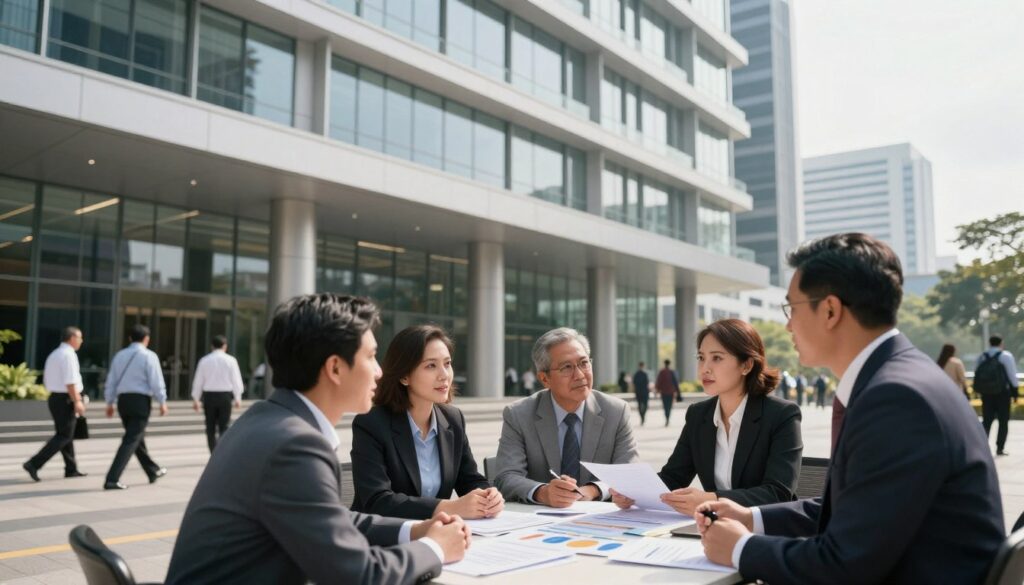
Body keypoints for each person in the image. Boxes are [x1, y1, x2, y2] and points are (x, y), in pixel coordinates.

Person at [696, 232, 1004, 584]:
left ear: (829, 310)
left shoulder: (896, 399)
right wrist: (752, 517)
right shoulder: (902, 379)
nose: (787, 325)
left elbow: (845, 566)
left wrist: (740, 549)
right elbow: (856, 510)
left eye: (791, 309)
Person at [166, 294, 469, 585]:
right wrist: (435, 548)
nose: (379, 372)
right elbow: (359, 576)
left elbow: (335, 521)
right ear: (335, 368)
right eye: (371, 356)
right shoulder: (294, 446)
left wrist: (416, 530)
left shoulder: (265, 420)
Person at [613, 320, 802, 516]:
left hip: (767, 531)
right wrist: (634, 493)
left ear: (746, 365)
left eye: (717, 358)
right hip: (714, 530)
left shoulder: (782, 415)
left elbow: (778, 493)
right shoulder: (698, 415)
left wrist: (712, 500)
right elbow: (673, 477)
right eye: (701, 358)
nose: (705, 368)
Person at [351, 324, 504, 520]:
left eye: (447, 364)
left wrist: (488, 496)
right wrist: (449, 507)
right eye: (431, 365)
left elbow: (469, 479)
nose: (444, 375)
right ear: (404, 376)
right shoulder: (371, 424)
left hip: (438, 534)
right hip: (384, 539)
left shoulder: (453, 419)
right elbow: (378, 501)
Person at [494, 327, 639, 507]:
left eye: (584, 363)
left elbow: (627, 473)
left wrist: (593, 490)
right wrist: (543, 492)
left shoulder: (616, 411)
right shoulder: (519, 415)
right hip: (540, 523)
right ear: (544, 378)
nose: (579, 375)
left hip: (600, 521)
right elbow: (506, 477)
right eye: (567, 367)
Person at [102, 324, 168, 490]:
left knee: (136, 437)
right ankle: (112, 478)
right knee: (131, 439)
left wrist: (109, 402)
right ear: (147, 339)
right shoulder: (149, 356)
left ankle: (152, 470)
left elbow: (112, 380)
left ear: (130, 338)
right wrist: (162, 400)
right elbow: (156, 380)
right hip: (140, 401)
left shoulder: (120, 355)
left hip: (123, 401)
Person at [23, 326, 88, 481]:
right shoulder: (68, 355)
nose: (81, 341)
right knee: (64, 435)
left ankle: (71, 469)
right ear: (72, 338)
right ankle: (34, 463)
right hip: (65, 399)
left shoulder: (56, 353)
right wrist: (77, 401)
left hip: (56, 398)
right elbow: (70, 381)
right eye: (80, 338)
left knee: (66, 435)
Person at [190, 335, 244, 453]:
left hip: (209, 396)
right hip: (225, 396)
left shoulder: (204, 360)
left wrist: (196, 398)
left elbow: (198, 381)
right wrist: (238, 397)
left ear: (212, 346)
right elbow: (236, 380)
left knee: (210, 427)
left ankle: (213, 452)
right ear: (225, 346)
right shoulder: (231, 360)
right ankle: (222, 452)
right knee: (224, 426)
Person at [976, 334, 1019, 456]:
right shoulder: (1005, 356)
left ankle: (982, 447)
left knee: (987, 420)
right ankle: (1000, 447)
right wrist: (1015, 392)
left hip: (986, 393)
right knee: (1003, 421)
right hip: (1002, 393)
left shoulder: (982, 356)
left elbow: (977, 373)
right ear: (1001, 343)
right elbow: (1012, 375)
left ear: (989, 343)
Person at [655, 359, 681, 426]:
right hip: (671, 392)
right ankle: (668, 418)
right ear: (669, 364)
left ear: (664, 363)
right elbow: (675, 382)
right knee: (669, 406)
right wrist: (678, 391)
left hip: (663, 392)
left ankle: (666, 417)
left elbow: (659, 381)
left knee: (665, 406)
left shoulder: (662, 372)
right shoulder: (672, 372)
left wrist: (657, 390)